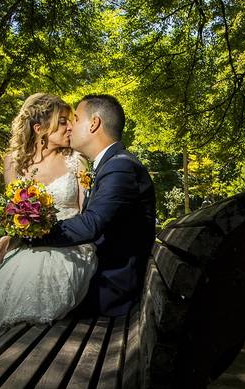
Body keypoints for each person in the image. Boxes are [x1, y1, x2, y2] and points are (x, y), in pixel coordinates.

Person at [0, 93, 97, 371]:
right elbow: (14, 211)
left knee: (23, 276)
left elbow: (85, 214)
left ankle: (6, 357)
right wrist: (12, 233)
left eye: (70, 121)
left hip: (67, 244)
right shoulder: (14, 163)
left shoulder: (76, 161)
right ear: (39, 129)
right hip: (27, 240)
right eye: (62, 122)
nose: (69, 128)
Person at [26, 93, 156, 317]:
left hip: (112, 290)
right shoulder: (113, 164)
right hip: (107, 278)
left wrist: (32, 235)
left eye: (75, 119)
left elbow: (91, 224)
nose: (70, 127)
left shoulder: (120, 168)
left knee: (21, 286)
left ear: (94, 124)